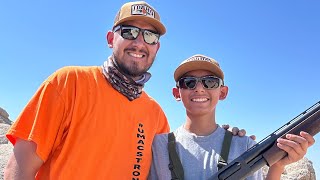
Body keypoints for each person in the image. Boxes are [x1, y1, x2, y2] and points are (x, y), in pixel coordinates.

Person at [4, 1, 246, 179]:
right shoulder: (68, 83)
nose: (140, 42)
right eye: (129, 32)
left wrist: (224, 137)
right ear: (111, 39)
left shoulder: (156, 116)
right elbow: (20, 168)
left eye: (150, 36)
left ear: (157, 48)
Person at [149, 54, 315, 180]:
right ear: (177, 93)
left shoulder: (244, 146)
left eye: (210, 82)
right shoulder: (157, 146)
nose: (199, 88)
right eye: (189, 82)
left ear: (222, 92)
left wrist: (277, 165)